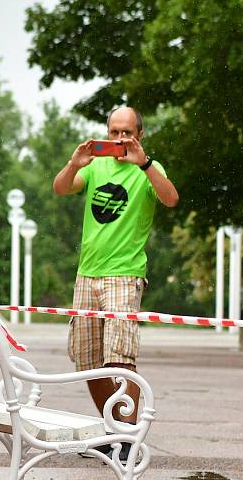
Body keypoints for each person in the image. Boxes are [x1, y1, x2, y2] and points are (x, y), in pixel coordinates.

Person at [52, 106, 178, 452]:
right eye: (114, 132)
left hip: (124, 273)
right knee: (88, 362)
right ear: (106, 133)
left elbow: (171, 199)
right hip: (87, 273)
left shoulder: (149, 169)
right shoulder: (95, 165)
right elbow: (60, 188)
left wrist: (146, 164)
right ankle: (112, 434)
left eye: (127, 132)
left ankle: (129, 438)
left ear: (140, 134)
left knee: (120, 358)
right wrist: (74, 164)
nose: (120, 139)